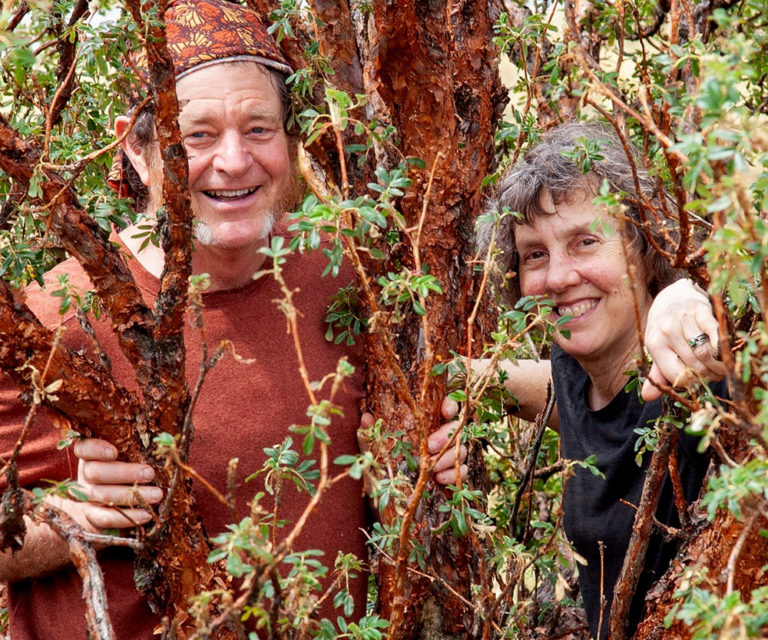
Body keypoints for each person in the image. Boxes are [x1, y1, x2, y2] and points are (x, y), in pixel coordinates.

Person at [0, 1, 462, 637]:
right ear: (138, 150)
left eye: (260, 129)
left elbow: (436, 412)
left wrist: (448, 440)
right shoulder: (51, 320)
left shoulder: (352, 275)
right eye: (197, 136)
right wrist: (65, 514)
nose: (235, 161)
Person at [471, 121, 728, 639]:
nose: (559, 277)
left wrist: (693, 304)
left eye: (586, 241)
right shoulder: (575, 369)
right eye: (535, 255)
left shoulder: (692, 365)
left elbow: (725, 366)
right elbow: (568, 399)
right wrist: (462, 382)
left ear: (642, 245)